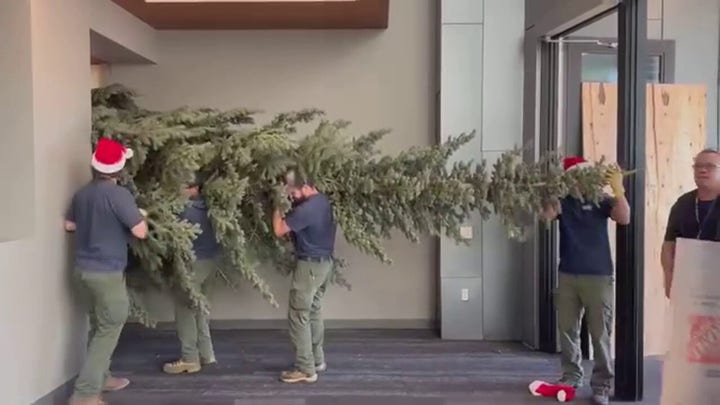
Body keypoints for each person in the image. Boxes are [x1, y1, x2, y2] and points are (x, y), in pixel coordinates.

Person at [65, 138, 148, 405]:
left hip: (82, 271)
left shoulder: (82, 194)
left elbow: (68, 225)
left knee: (99, 325)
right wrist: (140, 215)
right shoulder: (119, 195)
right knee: (109, 327)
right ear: (120, 169)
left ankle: (103, 377)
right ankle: (86, 394)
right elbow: (140, 231)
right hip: (106, 273)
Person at [541, 157, 630, 405]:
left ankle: (601, 385)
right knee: (567, 330)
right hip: (568, 274)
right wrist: (552, 189)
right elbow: (546, 215)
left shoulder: (601, 200)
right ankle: (571, 377)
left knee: (600, 333)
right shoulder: (563, 202)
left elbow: (624, 218)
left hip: (599, 276)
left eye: (583, 175)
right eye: (574, 176)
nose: (579, 180)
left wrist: (618, 190)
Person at [272, 170, 337, 384]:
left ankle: (305, 369)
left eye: (292, 192)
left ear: (304, 187)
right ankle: (317, 360)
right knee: (314, 311)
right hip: (324, 264)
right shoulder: (322, 201)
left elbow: (279, 229)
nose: (291, 196)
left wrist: (277, 205)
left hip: (309, 266)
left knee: (299, 316)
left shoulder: (306, 210)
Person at [163, 175, 220, 374]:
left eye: (182, 187)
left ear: (194, 188)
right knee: (201, 308)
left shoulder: (185, 210)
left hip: (192, 264)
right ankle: (207, 354)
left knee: (185, 308)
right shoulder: (209, 207)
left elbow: (167, 232)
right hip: (209, 262)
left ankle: (189, 358)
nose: (178, 190)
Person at [662, 148, 720, 298]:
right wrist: (669, 282)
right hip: (689, 285)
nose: (702, 170)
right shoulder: (683, 203)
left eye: (710, 166)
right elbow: (669, 246)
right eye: (698, 166)